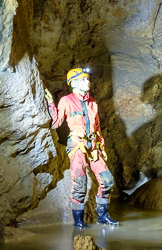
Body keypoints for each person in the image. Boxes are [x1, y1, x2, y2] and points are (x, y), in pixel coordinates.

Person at [45, 66, 118, 228]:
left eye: (87, 78)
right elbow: (56, 123)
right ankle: (78, 221)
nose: (88, 81)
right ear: (75, 83)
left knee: (107, 180)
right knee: (80, 182)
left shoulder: (92, 102)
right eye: (84, 79)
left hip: (94, 145)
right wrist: (51, 105)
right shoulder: (66, 101)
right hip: (77, 145)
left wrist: (102, 147)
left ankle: (103, 216)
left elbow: (97, 126)